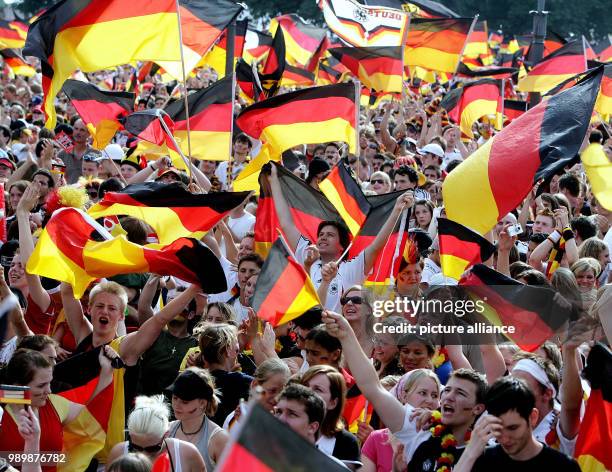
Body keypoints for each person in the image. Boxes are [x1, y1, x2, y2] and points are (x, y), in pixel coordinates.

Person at [322, 310, 488, 470]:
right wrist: (346, 335)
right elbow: (372, 387)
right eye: (448, 390)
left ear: (478, 408)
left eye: (460, 393)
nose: (449, 397)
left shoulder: (491, 451)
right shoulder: (417, 428)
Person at [268, 162, 414, 311]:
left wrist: (396, 210)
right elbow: (286, 223)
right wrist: (273, 179)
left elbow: (377, 246)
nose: (323, 238)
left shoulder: (350, 269)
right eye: (321, 235)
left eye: (330, 235)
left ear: (342, 246)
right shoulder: (308, 256)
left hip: (337, 331)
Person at [0, 346, 117, 472]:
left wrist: (106, 370)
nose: (49, 391)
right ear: (18, 386)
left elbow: (94, 416)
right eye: (41, 386)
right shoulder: (1, 412)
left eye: (49, 383)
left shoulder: (54, 403)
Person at [454, 377, 580, 471]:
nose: (505, 438)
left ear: (532, 417)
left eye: (513, 428)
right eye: (497, 429)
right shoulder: (481, 461)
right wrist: (470, 453)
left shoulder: (563, 467)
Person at [361, 368, 441, 472]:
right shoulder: (376, 439)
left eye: (434, 395)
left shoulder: (444, 440)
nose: (430, 400)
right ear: (404, 396)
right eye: (422, 393)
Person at [106, 395, 206, 472]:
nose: (143, 455)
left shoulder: (187, 453)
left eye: (152, 449)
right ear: (130, 435)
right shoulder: (118, 453)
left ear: (166, 434)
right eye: (135, 448)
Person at [166, 368, 229, 471]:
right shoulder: (166, 430)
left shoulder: (219, 439)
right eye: (175, 398)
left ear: (202, 403)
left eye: (185, 402)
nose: (177, 405)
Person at [300, 365, 360, 464]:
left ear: (333, 403)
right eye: (305, 386)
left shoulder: (346, 442)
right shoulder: (285, 426)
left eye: (317, 389)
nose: (307, 392)